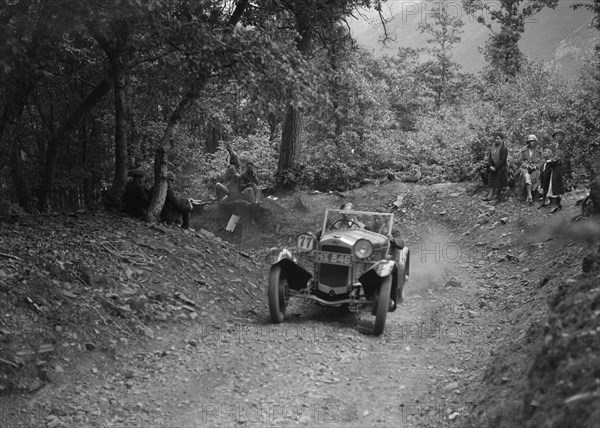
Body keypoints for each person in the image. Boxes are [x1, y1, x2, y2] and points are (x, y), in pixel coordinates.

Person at [540, 129, 569, 213]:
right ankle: (555, 203)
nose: (558, 137)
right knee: (551, 184)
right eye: (556, 136)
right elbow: (551, 156)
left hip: (561, 168)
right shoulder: (554, 147)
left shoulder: (564, 146)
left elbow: (563, 157)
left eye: (560, 135)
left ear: (563, 137)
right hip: (554, 168)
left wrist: (554, 160)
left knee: (555, 185)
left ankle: (555, 204)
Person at [518, 134, 544, 205]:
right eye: (529, 141)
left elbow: (542, 160)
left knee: (536, 176)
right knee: (526, 176)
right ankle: (529, 196)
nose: (531, 143)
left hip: (535, 168)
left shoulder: (539, 150)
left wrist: (536, 166)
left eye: (532, 141)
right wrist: (526, 165)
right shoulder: (523, 150)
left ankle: (535, 196)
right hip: (525, 168)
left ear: (535, 142)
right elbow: (520, 160)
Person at [484, 132, 509, 204]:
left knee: (499, 183)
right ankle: (490, 196)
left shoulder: (504, 149)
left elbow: (502, 160)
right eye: (495, 138)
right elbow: (490, 157)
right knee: (491, 181)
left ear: (502, 140)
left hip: (501, 168)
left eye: (498, 139)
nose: (496, 140)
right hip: (493, 167)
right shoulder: (493, 147)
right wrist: (490, 166)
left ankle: (498, 197)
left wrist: (496, 167)